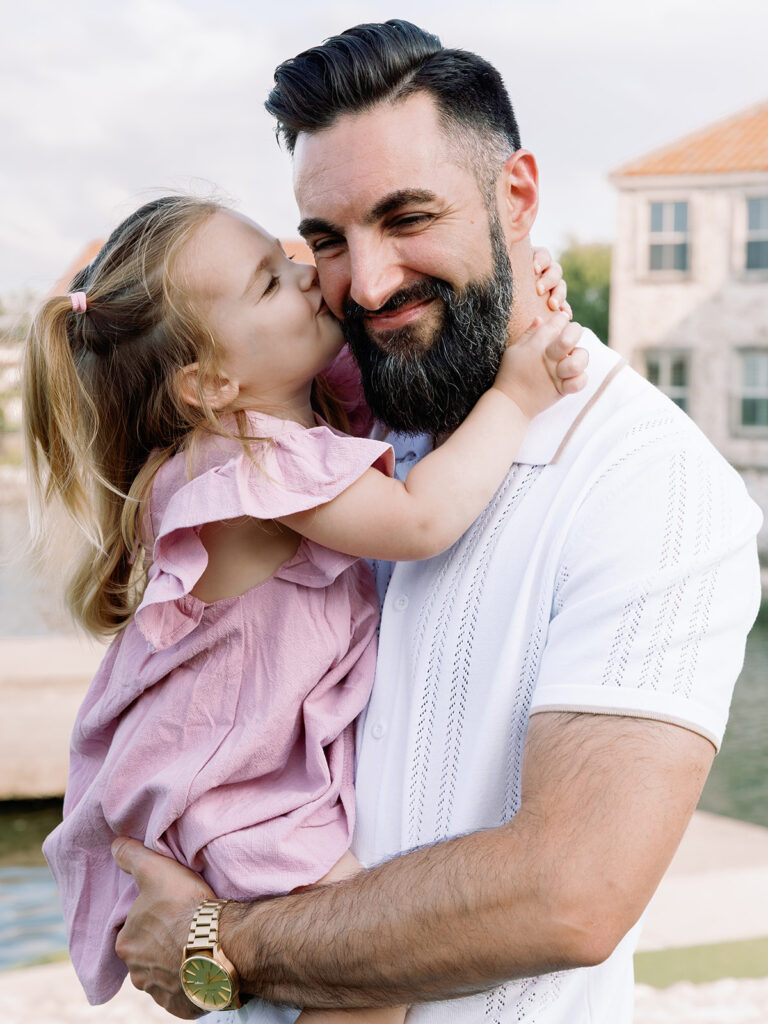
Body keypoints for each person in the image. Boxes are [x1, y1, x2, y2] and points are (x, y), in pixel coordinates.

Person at [110, 20, 763, 1024]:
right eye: (325, 240)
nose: (366, 284)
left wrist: (213, 943)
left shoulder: (654, 486)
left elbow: (567, 893)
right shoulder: (344, 422)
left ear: (518, 196)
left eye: (407, 216)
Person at [28, 193, 583, 1020]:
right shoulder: (246, 462)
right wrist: (517, 394)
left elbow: (405, 369)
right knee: (365, 976)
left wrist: (515, 299)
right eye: (267, 283)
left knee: (262, 984)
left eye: (284, 257)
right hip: (235, 787)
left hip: (216, 768)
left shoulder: (266, 418)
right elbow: (419, 518)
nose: (302, 273)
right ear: (212, 380)